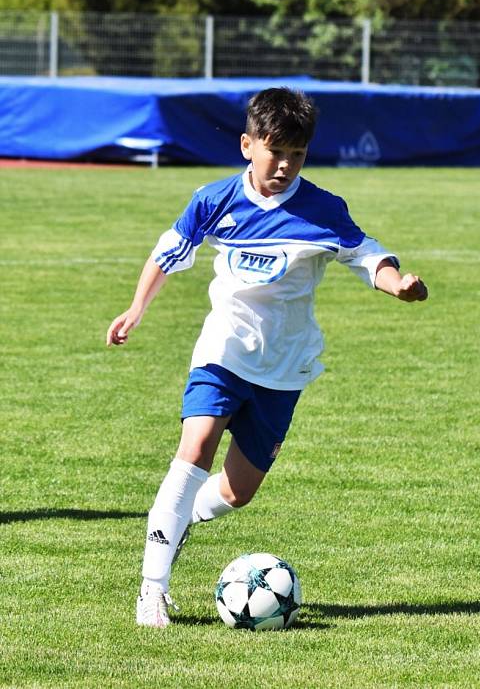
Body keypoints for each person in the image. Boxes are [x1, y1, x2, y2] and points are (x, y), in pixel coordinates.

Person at [106, 87, 428, 627]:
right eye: (274, 151)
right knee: (197, 445)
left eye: (297, 154)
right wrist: (137, 308)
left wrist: (397, 284)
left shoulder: (323, 210)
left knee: (237, 491)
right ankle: (152, 589)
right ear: (247, 145)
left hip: (283, 366)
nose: (284, 165)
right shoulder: (214, 201)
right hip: (223, 352)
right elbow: (168, 251)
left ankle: (178, 521)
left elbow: (367, 255)